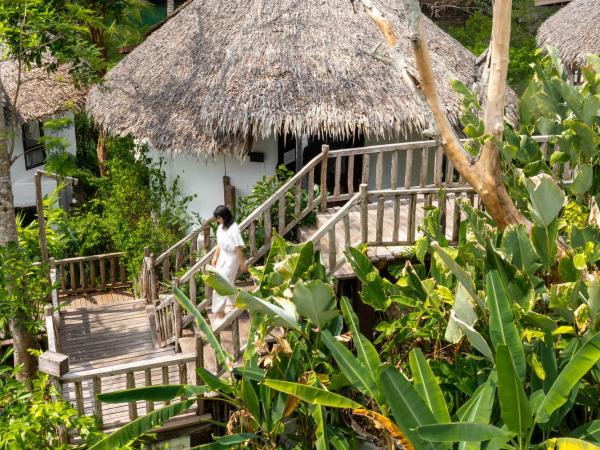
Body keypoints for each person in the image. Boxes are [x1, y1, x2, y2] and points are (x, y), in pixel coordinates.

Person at [210, 205, 247, 324]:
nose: (217, 221)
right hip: (222, 256)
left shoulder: (234, 229)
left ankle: (219, 314)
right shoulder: (220, 228)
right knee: (227, 282)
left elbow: (238, 247)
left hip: (232, 258)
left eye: (219, 218)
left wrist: (242, 263)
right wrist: (215, 257)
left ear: (224, 217)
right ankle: (238, 301)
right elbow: (219, 244)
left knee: (221, 284)